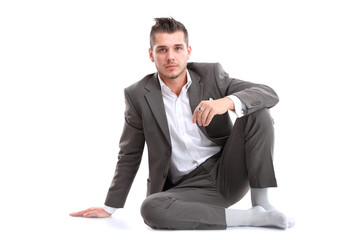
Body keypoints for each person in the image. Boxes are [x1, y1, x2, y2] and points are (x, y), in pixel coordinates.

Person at [70, 17, 294, 230]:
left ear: (188, 51)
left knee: (257, 112)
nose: (171, 57)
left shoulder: (211, 74)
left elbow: (267, 93)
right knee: (151, 208)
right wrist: (111, 206)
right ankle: (251, 218)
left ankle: (262, 203)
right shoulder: (137, 95)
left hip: (229, 170)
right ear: (151, 54)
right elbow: (129, 153)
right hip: (188, 189)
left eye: (177, 48)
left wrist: (225, 103)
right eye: (162, 50)